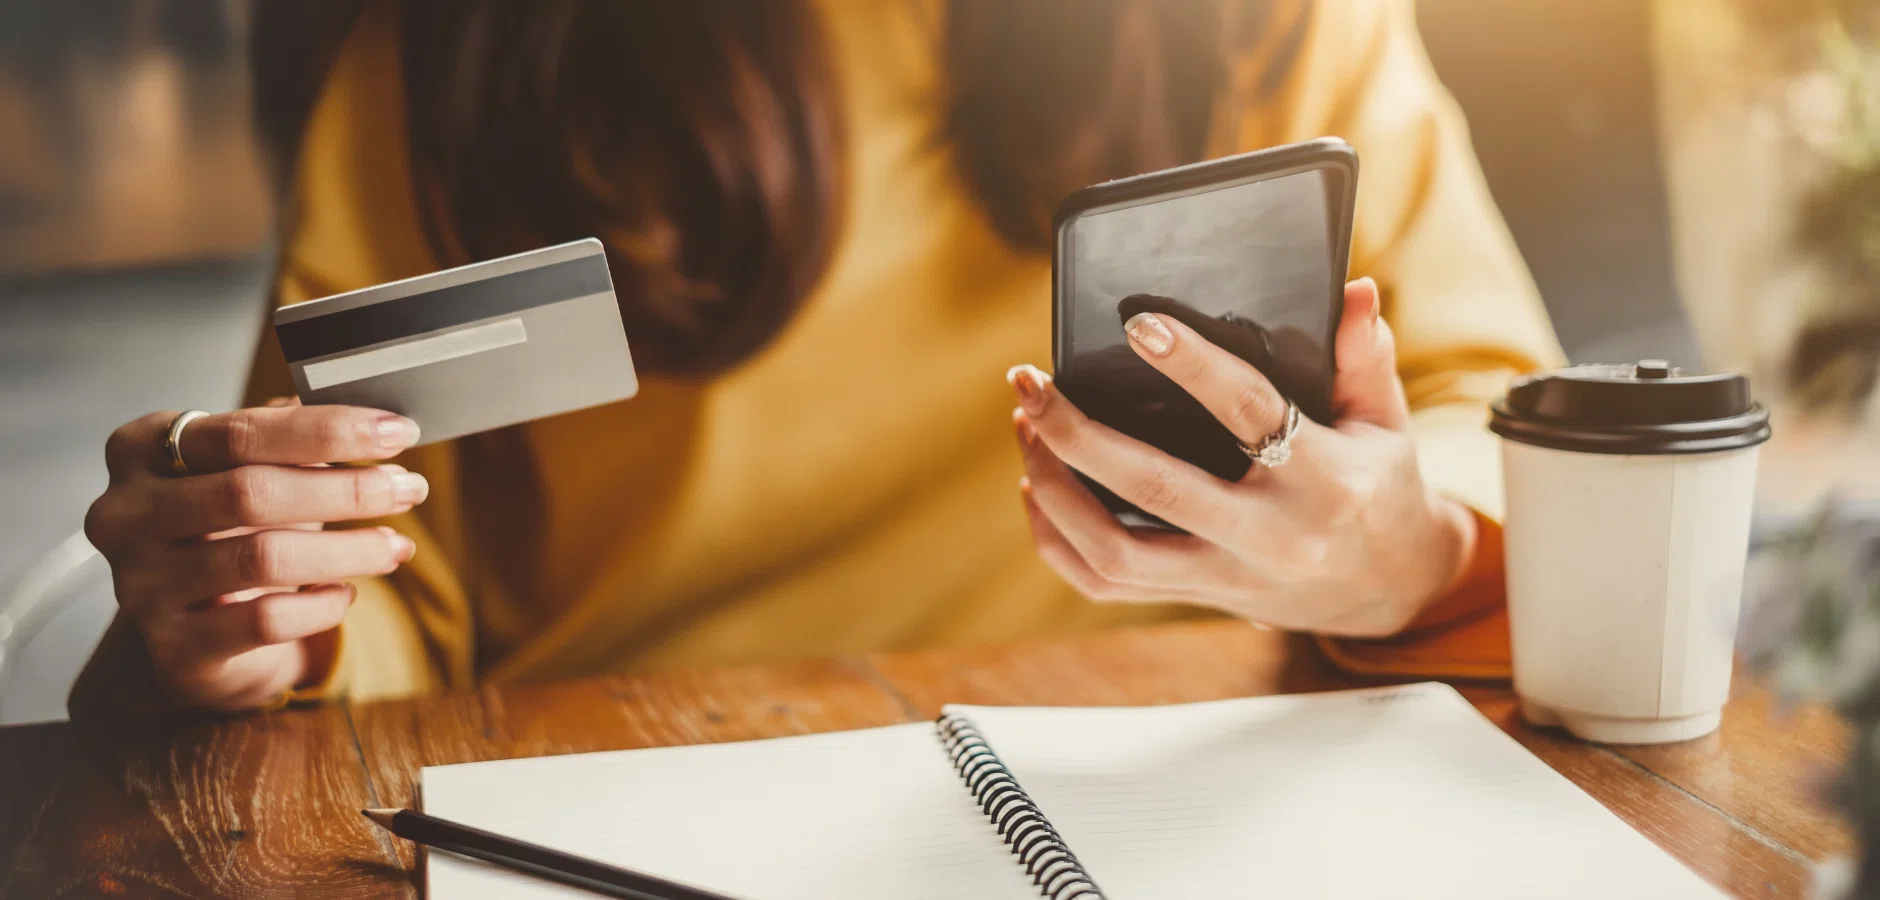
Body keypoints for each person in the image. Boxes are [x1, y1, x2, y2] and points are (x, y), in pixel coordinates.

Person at [73, 0, 1561, 715]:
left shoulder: (1279, 24)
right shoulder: (458, 63)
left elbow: (1498, 415)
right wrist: (280, 617)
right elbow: (394, 589)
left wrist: (1408, 552)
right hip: (611, 795)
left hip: (1201, 779)